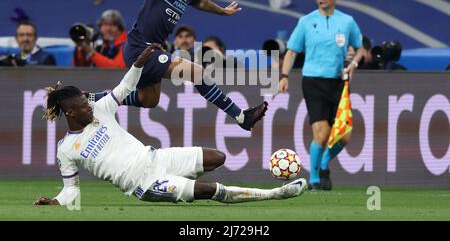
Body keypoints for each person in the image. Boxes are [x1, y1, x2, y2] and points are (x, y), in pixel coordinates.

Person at [33, 44, 307, 206]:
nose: (89, 105)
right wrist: (56, 201)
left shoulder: (101, 109)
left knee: (217, 157)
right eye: (83, 104)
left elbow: (125, 86)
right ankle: (275, 194)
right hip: (145, 182)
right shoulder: (66, 149)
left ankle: (179, 186)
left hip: (157, 158)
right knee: (208, 190)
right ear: (70, 112)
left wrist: (139, 63)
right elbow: (71, 191)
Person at [88, 0, 267, 131]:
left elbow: (202, 2)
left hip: (152, 51)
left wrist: (223, 11)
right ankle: (241, 116)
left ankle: (93, 98)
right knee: (197, 72)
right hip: (140, 48)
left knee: (148, 100)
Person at [278, 0, 364, 191]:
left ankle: (324, 162)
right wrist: (284, 76)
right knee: (322, 133)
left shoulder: (347, 22)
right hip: (313, 81)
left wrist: (352, 64)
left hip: (338, 82)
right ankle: (315, 179)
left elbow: (360, 48)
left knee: (345, 135)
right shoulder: (306, 21)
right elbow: (291, 51)